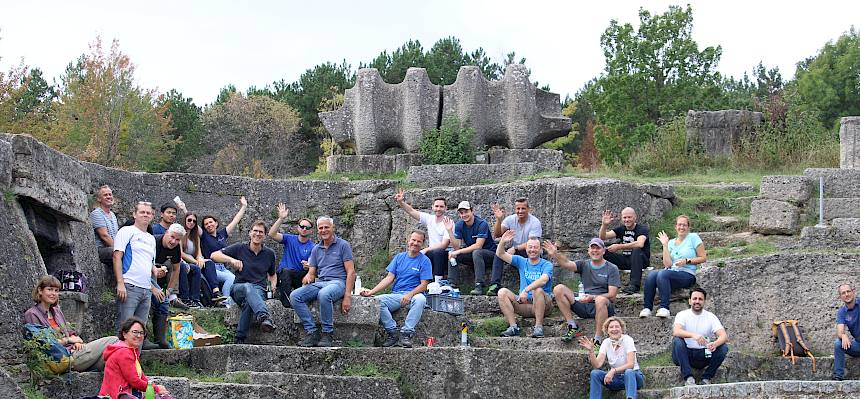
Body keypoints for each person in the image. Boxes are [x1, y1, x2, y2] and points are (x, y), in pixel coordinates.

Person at [23, 275, 119, 372]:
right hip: (61, 359)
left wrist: (76, 342)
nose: (53, 293)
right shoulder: (32, 314)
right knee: (114, 340)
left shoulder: (56, 312)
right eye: (50, 289)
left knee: (112, 358)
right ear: (40, 291)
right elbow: (45, 343)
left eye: (56, 290)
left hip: (74, 352)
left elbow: (70, 333)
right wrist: (68, 340)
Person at [291, 216, 356, 347]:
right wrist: (307, 278)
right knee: (295, 296)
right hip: (320, 282)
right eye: (320, 228)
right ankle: (312, 332)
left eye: (326, 227)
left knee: (324, 294)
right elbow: (311, 273)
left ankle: (327, 333)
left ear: (332, 228)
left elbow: (351, 272)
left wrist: (347, 296)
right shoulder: (316, 249)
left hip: (338, 282)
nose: (323, 230)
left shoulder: (343, 245)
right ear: (317, 231)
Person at [360, 230, 432, 348]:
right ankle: (392, 332)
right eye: (413, 240)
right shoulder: (399, 258)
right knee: (377, 301)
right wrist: (371, 292)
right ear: (408, 240)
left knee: (421, 300)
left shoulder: (425, 261)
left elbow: (424, 285)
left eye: (419, 241)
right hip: (398, 295)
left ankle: (406, 333)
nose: (415, 243)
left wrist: (410, 295)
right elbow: (389, 278)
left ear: (422, 244)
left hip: (414, 295)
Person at [211, 221, 278, 344]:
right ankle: (264, 316)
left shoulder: (269, 254)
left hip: (259, 289)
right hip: (238, 288)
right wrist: (231, 260)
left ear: (265, 235)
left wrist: (273, 286)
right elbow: (214, 255)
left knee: (249, 302)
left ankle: (240, 338)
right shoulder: (239, 248)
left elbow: (272, 275)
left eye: (261, 232)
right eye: (255, 231)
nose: (257, 234)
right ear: (250, 233)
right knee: (248, 287)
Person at [545, 238, 621, 345]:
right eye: (592, 248)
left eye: (598, 248)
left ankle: (598, 340)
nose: (595, 251)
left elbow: (612, 295)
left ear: (603, 251)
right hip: (584, 304)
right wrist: (555, 254)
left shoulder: (612, 268)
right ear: (588, 251)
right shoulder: (584, 264)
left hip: (603, 306)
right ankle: (572, 326)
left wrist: (593, 297)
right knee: (559, 289)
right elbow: (566, 263)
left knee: (600, 300)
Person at [640, 215, 706, 319]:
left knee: (663, 273)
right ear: (675, 227)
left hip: (687, 274)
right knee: (652, 275)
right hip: (672, 273)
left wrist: (687, 261)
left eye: (684, 225)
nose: (682, 227)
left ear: (688, 227)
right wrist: (665, 245)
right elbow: (667, 265)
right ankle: (647, 308)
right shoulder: (671, 242)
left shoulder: (693, 237)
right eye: (679, 225)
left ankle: (664, 307)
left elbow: (703, 258)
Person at [495, 231, 553, 338]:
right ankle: (513, 327)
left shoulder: (547, 264)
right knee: (502, 292)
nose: (532, 250)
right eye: (530, 247)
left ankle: (538, 327)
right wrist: (502, 242)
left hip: (543, 304)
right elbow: (500, 254)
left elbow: (543, 280)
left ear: (540, 250)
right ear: (526, 249)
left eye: (535, 247)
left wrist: (526, 290)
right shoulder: (521, 261)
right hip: (525, 305)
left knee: (538, 290)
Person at [99, 317, 170, 399]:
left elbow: (141, 377)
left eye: (141, 333)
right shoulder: (123, 353)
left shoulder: (131, 351)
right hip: (117, 396)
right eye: (135, 332)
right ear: (124, 334)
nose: (139, 336)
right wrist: (156, 388)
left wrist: (154, 387)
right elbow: (135, 381)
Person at [112, 201, 157, 332]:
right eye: (142, 212)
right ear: (134, 214)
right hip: (130, 285)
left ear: (152, 216)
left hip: (146, 289)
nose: (145, 215)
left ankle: (136, 353)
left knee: (139, 332)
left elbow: (150, 265)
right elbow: (117, 256)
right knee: (124, 329)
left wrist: (153, 285)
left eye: (148, 213)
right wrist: (120, 283)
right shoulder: (127, 231)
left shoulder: (151, 238)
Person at [672, 288, 729, 386]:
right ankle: (688, 378)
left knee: (723, 348)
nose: (697, 301)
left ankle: (706, 378)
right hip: (685, 353)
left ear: (704, 301)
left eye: (700, 299)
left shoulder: (711, 317)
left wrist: (714, 344)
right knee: (677, 341)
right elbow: (676, 331)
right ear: (690, 301)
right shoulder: (682, 315)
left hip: (704, 353)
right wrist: (693, 335)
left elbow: (724, 336)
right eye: (694, 299)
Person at [579, 317, 645, 399]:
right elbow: (597, 365)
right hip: (617, 379)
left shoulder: (628, 339)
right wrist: (591, 351)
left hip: (633, 378)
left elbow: (631, 364)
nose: (614, 329)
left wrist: (613, 370)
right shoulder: (606, 342)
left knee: (629, 371)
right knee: (595, 373)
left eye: (617, 326)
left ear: (621, 329)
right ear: (607, 330)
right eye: (611, 327)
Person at [394, 189, 451, 283]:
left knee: (437, 252)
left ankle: (438, 282)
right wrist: (401, 202)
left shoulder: (448, 222)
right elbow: (411, 211)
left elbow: (444, 245)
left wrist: (426, 249)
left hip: (445, 254)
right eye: (436, 206)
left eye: (441, 206)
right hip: (432, 253)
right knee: (416, 253)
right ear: (432, 207)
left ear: (446, 208)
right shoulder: (429, 219)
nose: (438, 209)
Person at [144, 224, 186, 349]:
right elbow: (140, 265)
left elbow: (176, 268)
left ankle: (160, 339)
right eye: (172, 237)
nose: (173, 241)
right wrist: (153, 286)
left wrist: (169, 289)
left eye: (177, 239)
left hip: (155, 275)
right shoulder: (153, 242)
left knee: (163, 301)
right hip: (141, 275)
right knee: (145, 301)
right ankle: (144, 338)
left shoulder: (176, 247)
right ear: (166, 232)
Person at [199, 196, 247, 305]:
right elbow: (193, 225)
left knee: (234, 279)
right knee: (230, 277)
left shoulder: (222, 234)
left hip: (223, 267)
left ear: (216, 223)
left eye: (211, 222)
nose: (209, 225)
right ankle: (226, 303)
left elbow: (235, 221)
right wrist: (184, 209)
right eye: (206, 224)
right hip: (211, 268)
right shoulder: (204, 236)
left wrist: (244, 206)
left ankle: (227, 302)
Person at [490, 198, 542, 296]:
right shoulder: (510, 219)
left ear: (528, 209)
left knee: (531, 252)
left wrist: (515, 248)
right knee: (499, 253)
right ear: (515, 209)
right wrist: (499, 220)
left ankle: (532, 289)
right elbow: (497, 234)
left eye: (523, 208)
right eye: (518, 208)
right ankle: (494, 285)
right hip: (516, 253)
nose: (520, 211)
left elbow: (532, 243)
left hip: (530, 252)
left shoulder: (535, 222)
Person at [443, 201, 497, 295]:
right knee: (452, 254)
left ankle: (479, 285)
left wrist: (458, 252)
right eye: (461, 213)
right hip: (474, 256)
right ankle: (451, 284)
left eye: (466, 211)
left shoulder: (481, 224)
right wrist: (450, 231)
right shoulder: (460, 225)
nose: (464, 215)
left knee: (477, 252)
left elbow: (478, 245)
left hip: (490, 255)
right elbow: (457, 246)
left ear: (472, 211)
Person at [268, 203, 314, 308]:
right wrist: (281, 218)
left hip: (300, 276)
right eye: (302, 226)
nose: (304, 229)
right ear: (298, 228)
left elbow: (313, 263)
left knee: (311, 273)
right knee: (285, 271)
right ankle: (286, 306)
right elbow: (271, 234)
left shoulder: (313, 247)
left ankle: (305, 302)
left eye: (307, 227)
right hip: (286, 275)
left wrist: (309, 265)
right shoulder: (289, 239)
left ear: (311, 231)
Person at [598, 208, 650, 294]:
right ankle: (601, 284)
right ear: (622, 218)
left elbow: (640, 243)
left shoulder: (642, 229)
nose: (627, 220)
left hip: (640, 261)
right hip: (626, 260)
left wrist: (619, 246)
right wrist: (604, 225)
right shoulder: (621, 229)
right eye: (624, 217)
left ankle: (634, 286)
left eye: (629, 217)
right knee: (602, 252)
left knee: (636, 249)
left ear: (635, 217)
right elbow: (603, 237)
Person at [833, 283, 860, 381]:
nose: (846, 294)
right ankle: (838, 376)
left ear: (853, 292)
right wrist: (843, 335)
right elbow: (840, 331)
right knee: (838, 343)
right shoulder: (842, 312)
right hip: (858, 346)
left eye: (848, 291)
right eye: (843, 293)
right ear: (841, 297)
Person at [178, 212, 204, 308]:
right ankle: (185, 298)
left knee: (204, 266)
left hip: (193, 261)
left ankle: (195, 299)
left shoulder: (195, 236)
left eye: (194, 221)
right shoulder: (180, 234)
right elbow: (180, 253)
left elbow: (199, 252)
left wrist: (200, 259)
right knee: (187, 267)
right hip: (182, 260)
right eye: (189, 220)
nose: (191, 222)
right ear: (185, 220)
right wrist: (195, 261)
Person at [90, 184, 119, 265]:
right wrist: (119, 250)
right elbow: (104, 236)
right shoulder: (96, 214)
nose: (109, 196)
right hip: (102, 249)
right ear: (99, 199)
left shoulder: (112, 215)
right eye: (105, 195)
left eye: (110, 194)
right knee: (120, 254)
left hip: (112, 248)